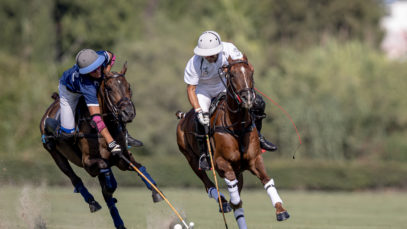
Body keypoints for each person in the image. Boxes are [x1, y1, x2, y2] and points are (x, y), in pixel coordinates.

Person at [183, 31, 277, 170]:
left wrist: (237, 73)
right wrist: (198, 110)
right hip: (204, 90)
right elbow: (191, 89)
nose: (208, 56)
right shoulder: (194, 63)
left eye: (211, 53)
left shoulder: (229, 49)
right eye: (205, 54)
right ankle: (204, 155)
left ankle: (259, 138)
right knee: (200, 119)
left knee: (258, 104)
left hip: (224, 86)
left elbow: (247, 67)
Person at [58, 48, 143, 152]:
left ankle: (124, 134)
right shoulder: (87, 85)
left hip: (89, 82)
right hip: (69, 93)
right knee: (68, 134)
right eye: (93, 70)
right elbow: (97, 118)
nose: (98, 71)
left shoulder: (102, 56)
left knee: (113, 104)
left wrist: (106, 70)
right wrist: (111, 143)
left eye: (98, 66)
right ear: (86, 72)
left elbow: (112, 57)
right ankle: (51, 126)